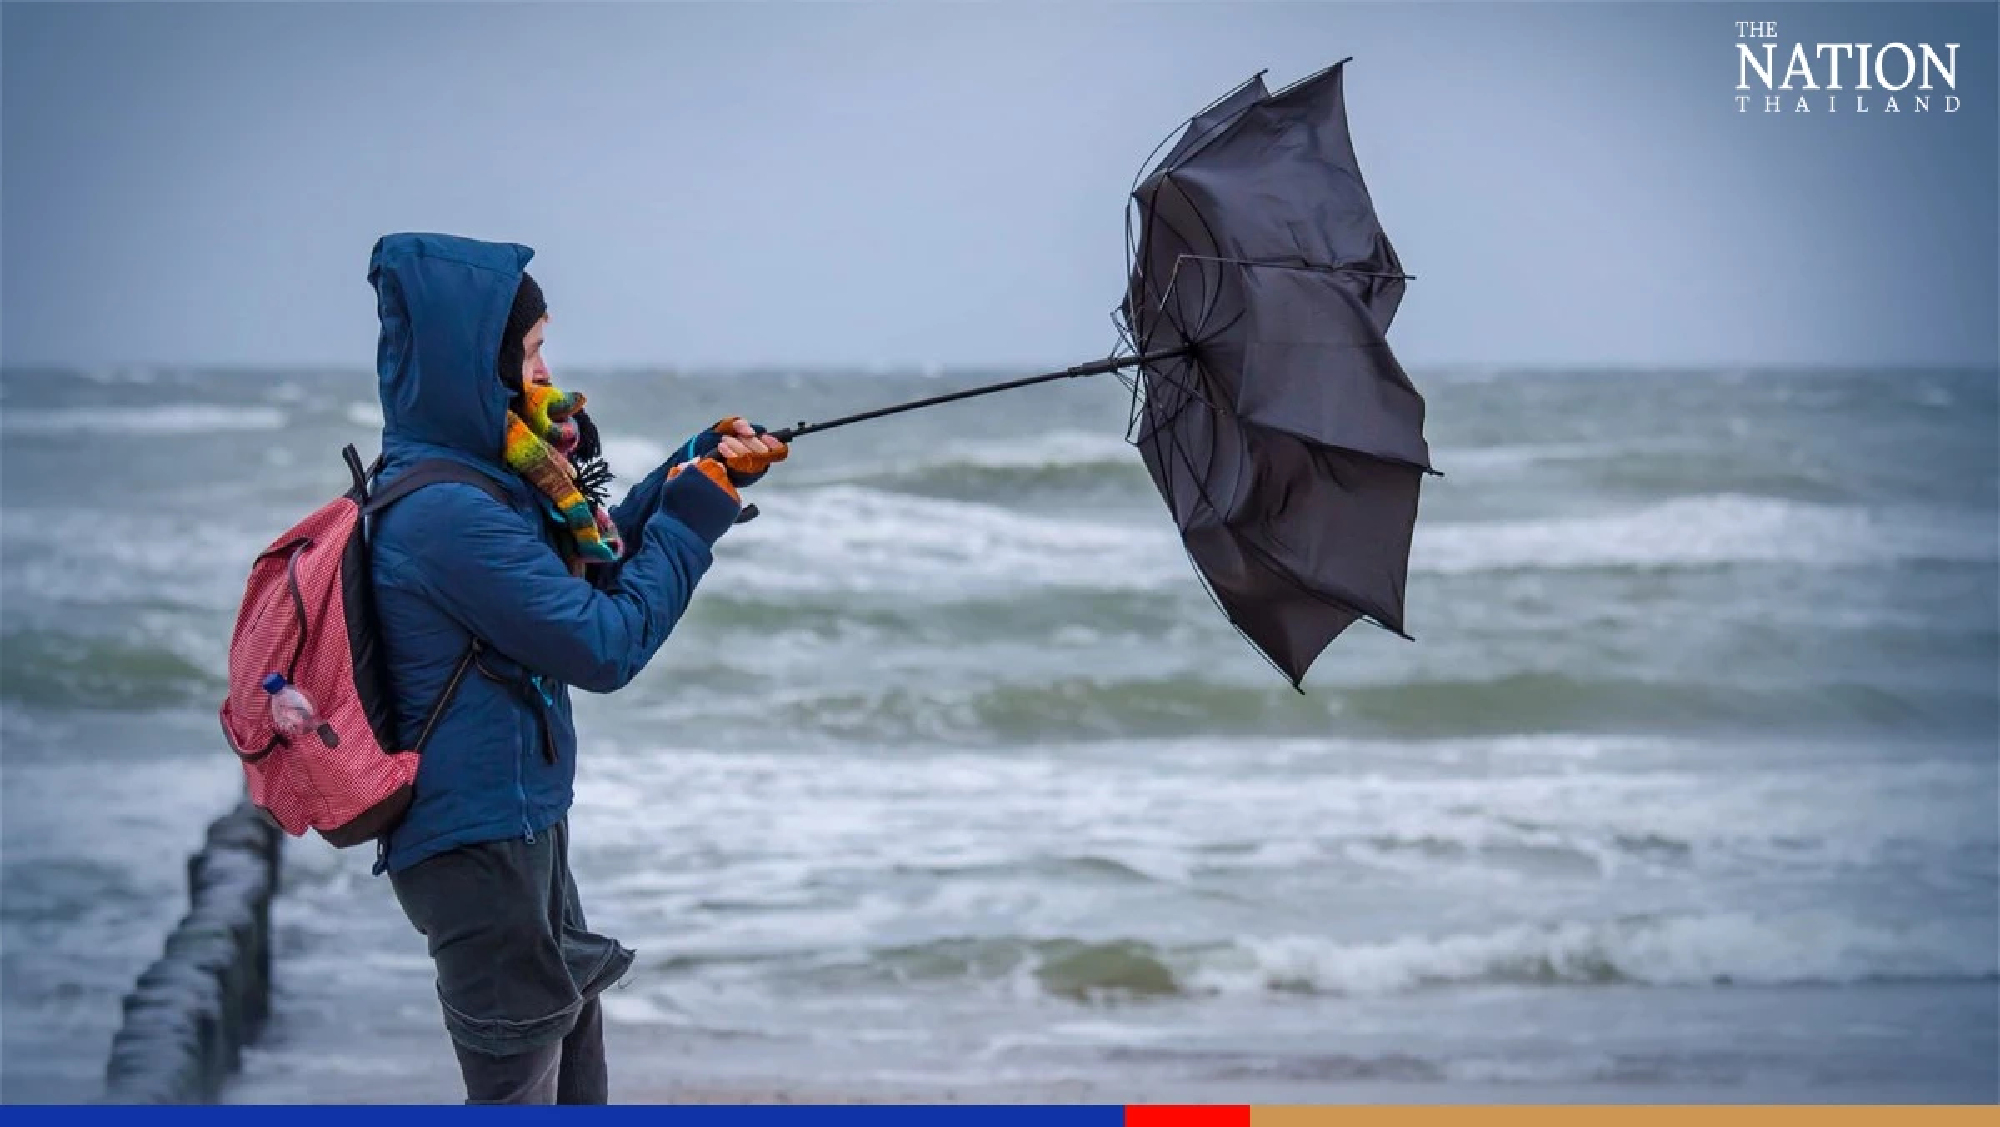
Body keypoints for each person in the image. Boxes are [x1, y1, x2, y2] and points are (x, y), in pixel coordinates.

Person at [362, 233, 786, 1104]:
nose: (547, 368)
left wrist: (692, 467)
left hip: (522, 828)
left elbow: (592, 561)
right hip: (479, 850)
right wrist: (693, 520)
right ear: (475, 363)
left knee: (577, 1066)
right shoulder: (446, 513)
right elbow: (602, 643)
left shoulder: (496, 474)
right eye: (531, 349)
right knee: (520, 1086)